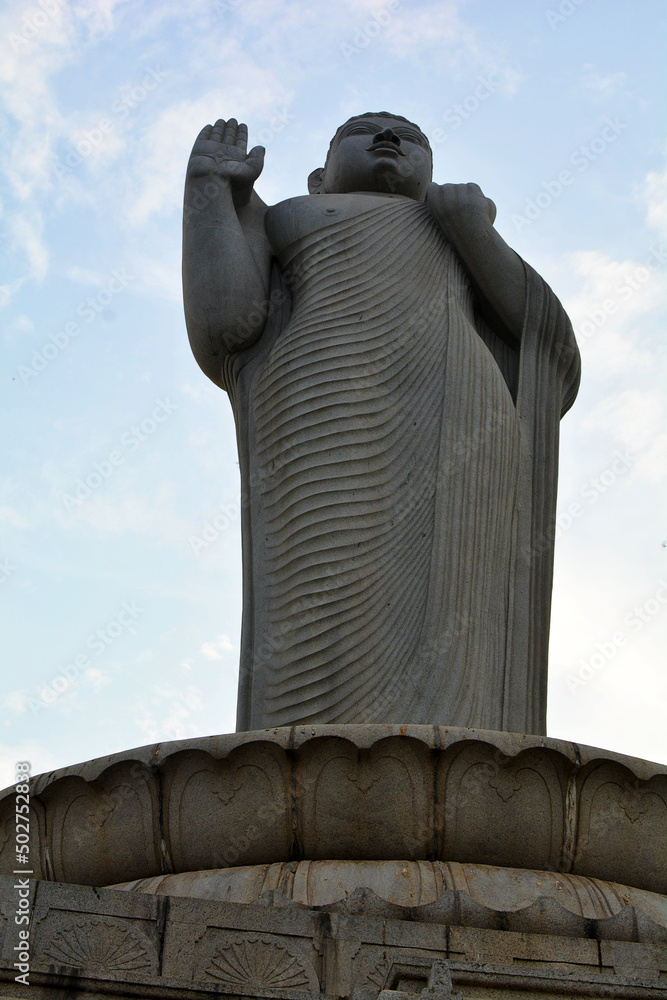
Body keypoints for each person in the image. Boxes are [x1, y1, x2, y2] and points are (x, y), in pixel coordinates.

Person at [183, 113, 580, 735]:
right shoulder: (285, 217)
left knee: (458, 603)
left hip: (461, 417)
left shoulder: (455, 228)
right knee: (321, 580)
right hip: (323, 398)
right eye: (364, 131)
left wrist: (475, 233)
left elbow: (550, 347)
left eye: (411, 139)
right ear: (319, 179)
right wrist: (209, 190)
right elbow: (228, 326)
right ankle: (305, 749)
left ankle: (463, 747)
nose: (390, 139)